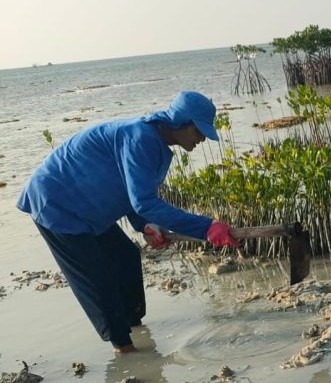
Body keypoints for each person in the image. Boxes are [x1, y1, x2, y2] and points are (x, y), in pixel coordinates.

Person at [17, 91, 241, 354]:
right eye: (199, 132)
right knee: (98, 278)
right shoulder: (141, 137)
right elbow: (144, 201)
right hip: (57, 205)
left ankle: (133, 325)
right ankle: (124, 348)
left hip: (89, 208)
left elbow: (130, 191)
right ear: (183, 124)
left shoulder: (156, 144)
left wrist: (145, 225)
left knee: (126, 257)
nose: (202, 139)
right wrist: (206, 227)